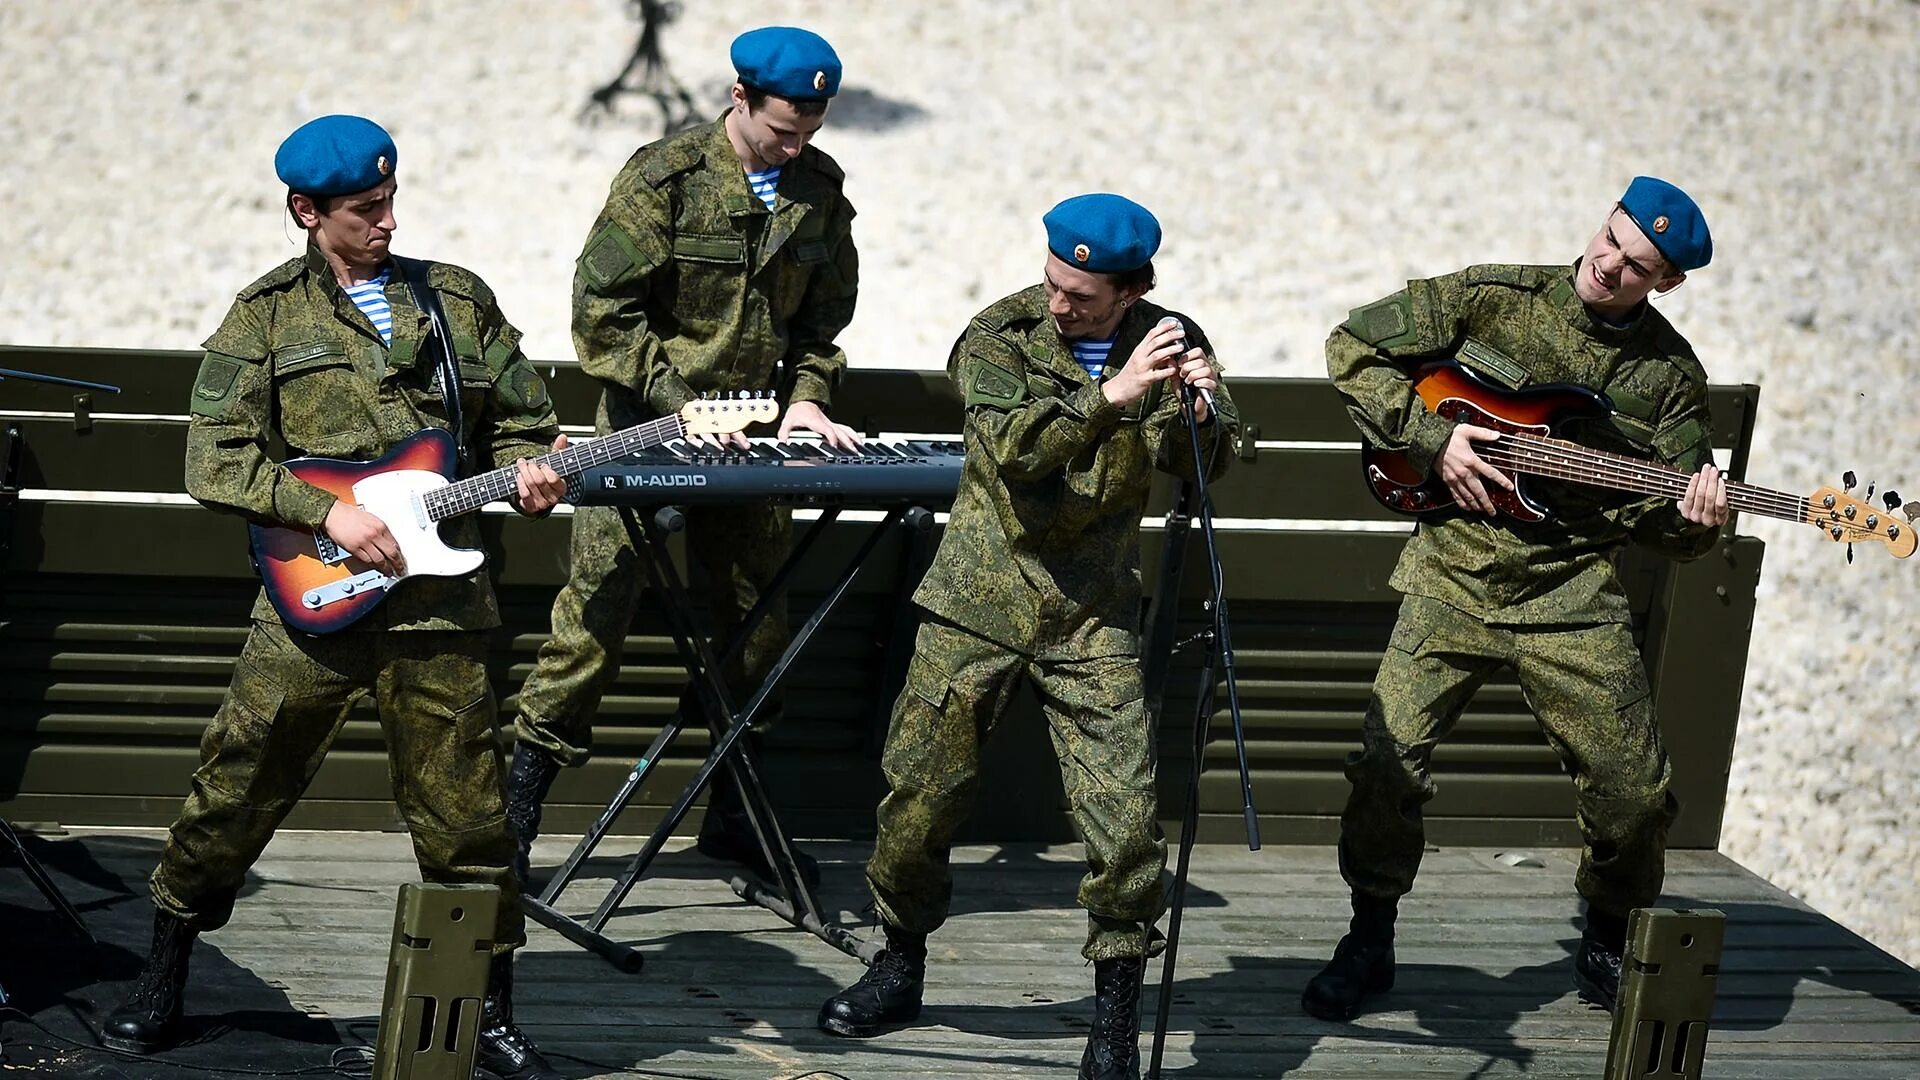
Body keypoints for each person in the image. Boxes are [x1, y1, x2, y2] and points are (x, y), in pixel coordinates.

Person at [99, 115, 567, 1080]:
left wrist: (532, 472)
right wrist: (325, 513)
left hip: (440, 612)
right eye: (364, 210)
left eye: (392, 202)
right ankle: (164, 973)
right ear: (308, 212)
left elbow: (527, 420)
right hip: (311, 609)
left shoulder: (458, 302)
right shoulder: (265, 316)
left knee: (469, 817)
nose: (386, 222)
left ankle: (489, 1010)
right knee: (235, 784)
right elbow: (214, 456)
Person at [817, 194, 1238, 1080]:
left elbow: (1208, 452)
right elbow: (1011, 448)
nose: (1059, 304)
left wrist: (1199, 412)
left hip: (1092, 616)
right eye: (1053, 283)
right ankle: (899, 960)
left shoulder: (1170, 338)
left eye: (1082, 297)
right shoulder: (999, 333)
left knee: (1125, 822)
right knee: (917, 801)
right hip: (980, 598)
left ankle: (1114, 1020)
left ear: (1132, 292)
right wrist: (1114, 396)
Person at [1303, 176, 1730, 1022]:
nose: (1607, 267)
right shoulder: (1493, 297)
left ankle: (1607, 938)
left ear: (1667, 283)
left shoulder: (1670, 378)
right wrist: (1434, 440)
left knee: (1634, 790)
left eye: (1635, 266)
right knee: (1386, 766)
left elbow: (1664, 530)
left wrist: (1698, 519)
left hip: (1570, 589)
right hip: (1451, 572)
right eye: (1609, 240)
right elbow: (1351, 346)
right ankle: (1369, 938)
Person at [505, 25, 860, 888]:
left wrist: (809, 395)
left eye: (812, 124)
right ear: (739, 98)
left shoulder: (818, 188)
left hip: (756, 448)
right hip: (644, 438)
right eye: (784, 124)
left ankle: (737, 823)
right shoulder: (662, 178)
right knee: (590, 626)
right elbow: (602, 316)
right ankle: (512, 823)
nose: (797, 139)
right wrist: (679, 402)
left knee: (757, 626)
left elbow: (822, 317)